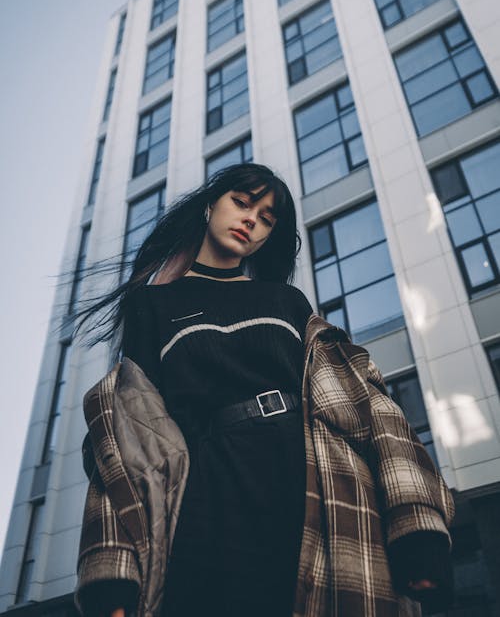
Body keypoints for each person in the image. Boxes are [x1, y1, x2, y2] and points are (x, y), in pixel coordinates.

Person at [73, 162, 455, 617]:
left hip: (307, 472)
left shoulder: (284, 301)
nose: (252, 219)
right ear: (211, 204)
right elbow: (125, 434)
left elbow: (368, 402)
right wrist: (111, 577)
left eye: (268, 218)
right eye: (242, 201)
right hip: (207, 490)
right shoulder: (153, 307)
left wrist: (418, 527)